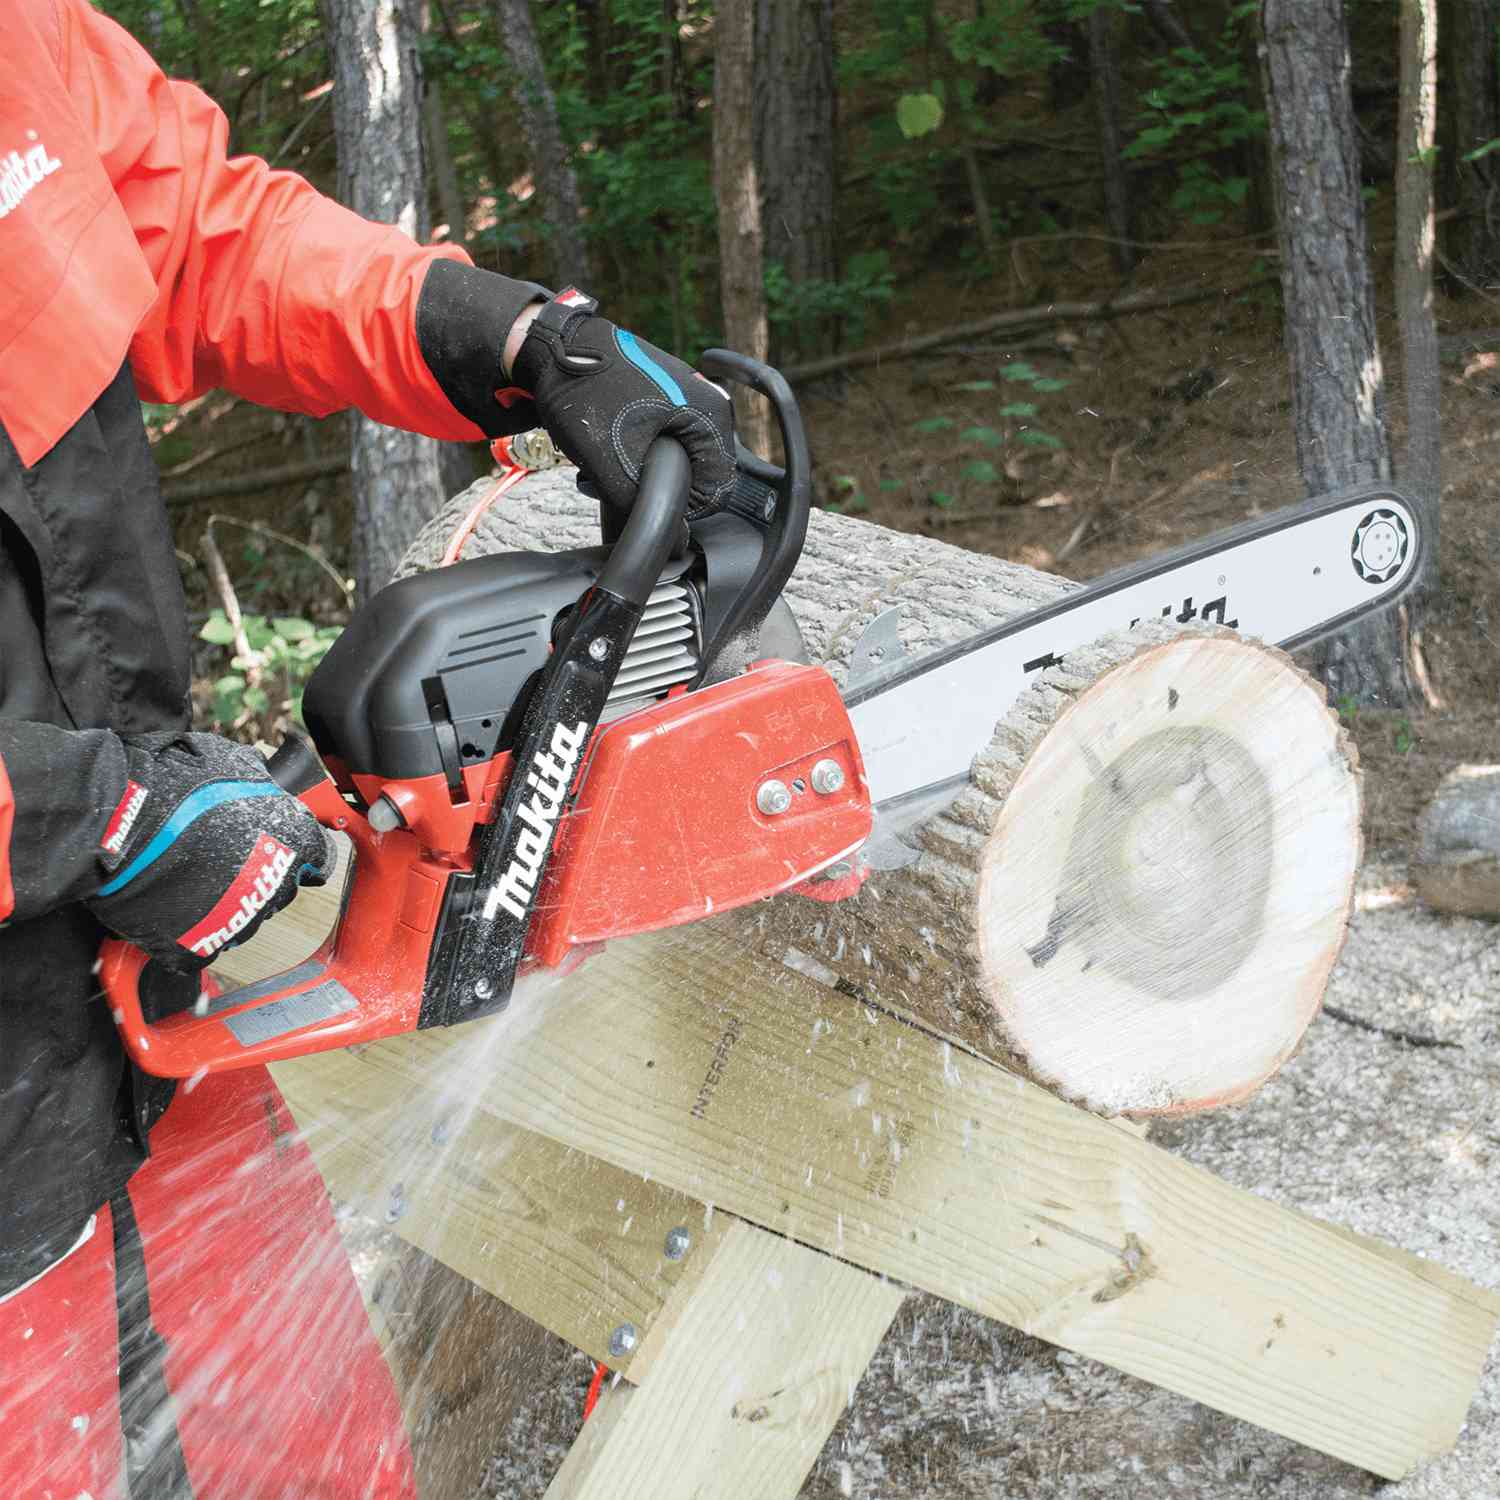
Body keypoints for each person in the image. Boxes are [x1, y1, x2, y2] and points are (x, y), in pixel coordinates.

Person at [0, 0, 736, 1493]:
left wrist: (492, 333)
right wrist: (79, 815)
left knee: (311, 1459)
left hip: (127, 1025)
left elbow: (193, 232)